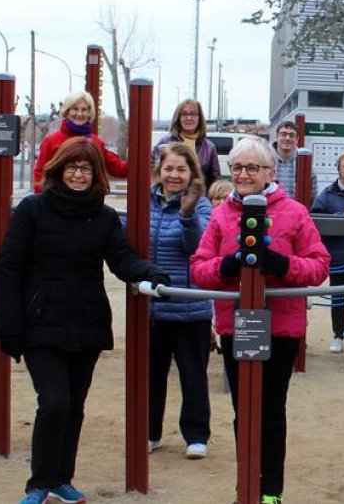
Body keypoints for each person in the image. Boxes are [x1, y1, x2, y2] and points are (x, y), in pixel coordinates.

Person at [0, 137, 171, 504]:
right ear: (59, 169)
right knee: (55, 401)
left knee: (74, 405)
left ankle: (62, 477)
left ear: (96, 175)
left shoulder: (103, 216)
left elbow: (122, 259)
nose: (79, 174)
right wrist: (9, 328)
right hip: (41, 323)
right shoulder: (32, 210)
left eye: (86, 168)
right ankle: (39, 483)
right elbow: (9, 270)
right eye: (73, 167)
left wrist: (150, 271)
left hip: (86, 323)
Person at [190, 136, 330, 504]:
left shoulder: (295, 213)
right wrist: (228, 265)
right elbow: (199, 269)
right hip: (236, 325)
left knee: (270, 408)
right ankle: (246, 485)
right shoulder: (222, 215)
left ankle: (271, 491)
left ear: (269, 171)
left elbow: (320, 265)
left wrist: (283, 265)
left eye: (252, 168)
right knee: (243, 409)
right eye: (237, 168)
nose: (244, 175)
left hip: (280, 327)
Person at [146, 143, 214, 458]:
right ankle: (149, 431)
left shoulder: (201, 206)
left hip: (190, 305)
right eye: (169, 168)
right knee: (151, 374)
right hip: (153, 306)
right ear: (159, 171)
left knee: (192, 373)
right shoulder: (145, 202)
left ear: (191, 173)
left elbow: (197, 247)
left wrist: (186, 214)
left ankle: (196, 434)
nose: (174, 175)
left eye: (181, 169)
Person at [310, 151, 344, 353]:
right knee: (338, 295)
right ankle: (337, 335)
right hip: (338, 254)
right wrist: (340, 216)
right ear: (339, 169)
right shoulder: (328, 194)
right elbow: (316, 215)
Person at [32, 90, 128, 193]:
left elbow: (117, 168)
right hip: (57, 203)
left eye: (84, 110)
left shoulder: (96, 142)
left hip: (88, 204)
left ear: (89, 113)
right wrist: (42, 203)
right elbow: (40, 174)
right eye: (75, 109)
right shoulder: (51, 141)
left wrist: (142, 160)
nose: (79, 113)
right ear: (67, 112)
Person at [151, 99, 221, 187]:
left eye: (193, 114)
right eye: (184, 114)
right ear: (178, 118)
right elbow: (151, 169)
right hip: (168, 198)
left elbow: (215, 180)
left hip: (198, 198)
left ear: (200, 118)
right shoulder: (165, 142)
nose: (189, 118)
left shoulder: (210, 147)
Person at [271, 120, 316, 198]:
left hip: (295, 209)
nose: (287, 138)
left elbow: (313, 195)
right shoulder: (266, 161)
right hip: (271, 209)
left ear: (297, 139)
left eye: (292, 135)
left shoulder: (304, 164)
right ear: (277, 137)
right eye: (283, 134)